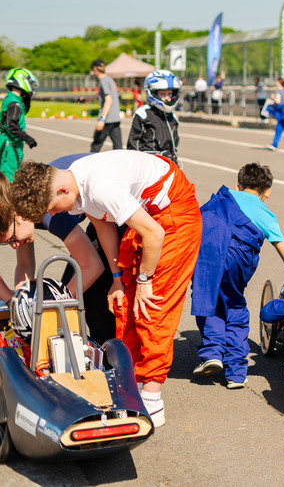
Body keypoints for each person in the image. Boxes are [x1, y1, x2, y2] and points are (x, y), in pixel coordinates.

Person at [11, 150, 203, 428]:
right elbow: (103, 226)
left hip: (174, 216)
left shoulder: (100, 187)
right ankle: (132, 382)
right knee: (123, 301)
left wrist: (145, 279)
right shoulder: (77, 182)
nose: (54, 214)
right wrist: (116, 278)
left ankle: (152, 398)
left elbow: (155, 234)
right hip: (149, 216)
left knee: (153, 308)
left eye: (53, 207)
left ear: (62, 189)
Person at [191, 163, 284, 389]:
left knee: (209, 301)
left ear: (237, 185)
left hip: (208, 257)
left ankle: (212, 353)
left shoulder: (218, 201)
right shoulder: (266, 214)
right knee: (234, 305)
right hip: (237, 261)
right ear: (268, 192)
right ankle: (235, 372)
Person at [0, 163, 114, 342]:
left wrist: (49, 311)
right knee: (68, 290)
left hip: (121, 206)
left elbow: (92, 266)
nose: (14, 246)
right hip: (102, 213)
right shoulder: (20, 211)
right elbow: (25, 265)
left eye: (12, 239)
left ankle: (110, 360)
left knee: (92, 297)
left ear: (17, 215)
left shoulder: (51, 213)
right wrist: (17, 303)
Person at [127, 71, 182, 163]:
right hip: (149, 163)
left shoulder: (172, 116)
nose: (167, 98)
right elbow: (133, 144)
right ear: (152, 92)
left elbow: (174, 142)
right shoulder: (143, 114)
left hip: (169, 162)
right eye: (162, 94)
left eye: (169, 94)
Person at [0, 68, 39, 181]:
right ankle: (7, 199)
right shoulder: (14, 102)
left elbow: (19, 115)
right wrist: (27, 138)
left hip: (9, 142)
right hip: (10, 144)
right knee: (9, 175)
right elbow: (11, 125)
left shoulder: (13, 99)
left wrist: (27, 100)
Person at [89, 59, 123, 153]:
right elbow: (100, 95)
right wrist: (86, 98)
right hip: (115, 118)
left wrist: (102, 119)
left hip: (107, 120)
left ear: (95, 68)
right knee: (118, 147)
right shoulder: (109, 79)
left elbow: (108, 100)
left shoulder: (103, 81)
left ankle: (89, 165)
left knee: (95, 147)